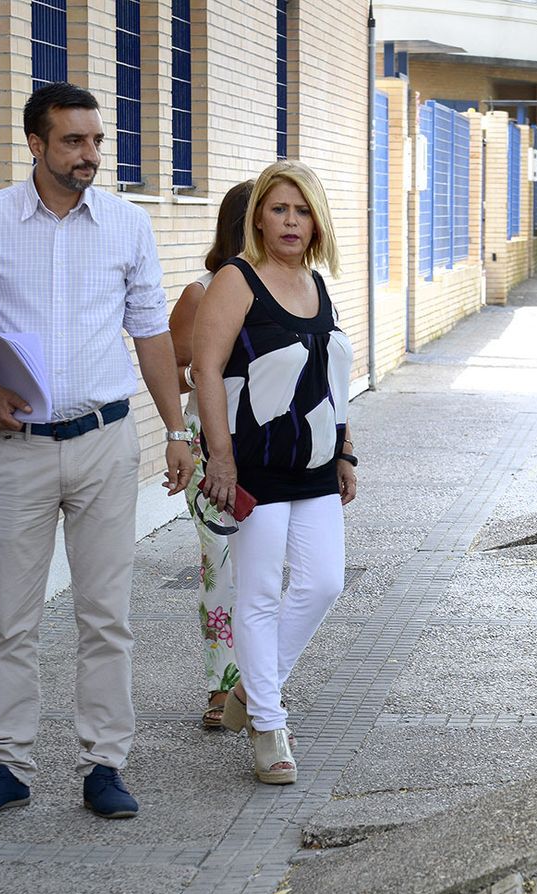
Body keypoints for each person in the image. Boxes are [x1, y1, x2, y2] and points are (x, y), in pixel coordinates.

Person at [0, 82, 193, 818]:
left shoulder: (128, 226)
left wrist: (176, 430)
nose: (91, 154)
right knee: (11, 618)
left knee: (106, 615)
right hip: (19, 449)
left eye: (97, 140)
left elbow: (151, 334)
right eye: (74, 141)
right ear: (36, 146)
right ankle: (8, 765)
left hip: (105, 440)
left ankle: (104, 764)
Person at [192, 160, 357, 785]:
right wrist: (222, 459)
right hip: (254, 467)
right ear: (258, 215)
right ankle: (268, 725)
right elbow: (205, 370)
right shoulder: (237, 280)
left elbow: (330, 377)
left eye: (303, 210)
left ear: (317, 220)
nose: (291, 221)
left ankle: (251, 692)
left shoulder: (317, 284)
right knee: (257, 595)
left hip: (314, 465)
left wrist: (345, 450)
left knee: (323, 584)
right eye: (279, 209)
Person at [167, 179, 253, 729]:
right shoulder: (201, 293)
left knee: (264, 571)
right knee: (220, 569)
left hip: (275, 450)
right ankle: (222, 688)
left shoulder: (291, 287)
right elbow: (171, 367)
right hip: (214, 450)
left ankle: (257, 681)